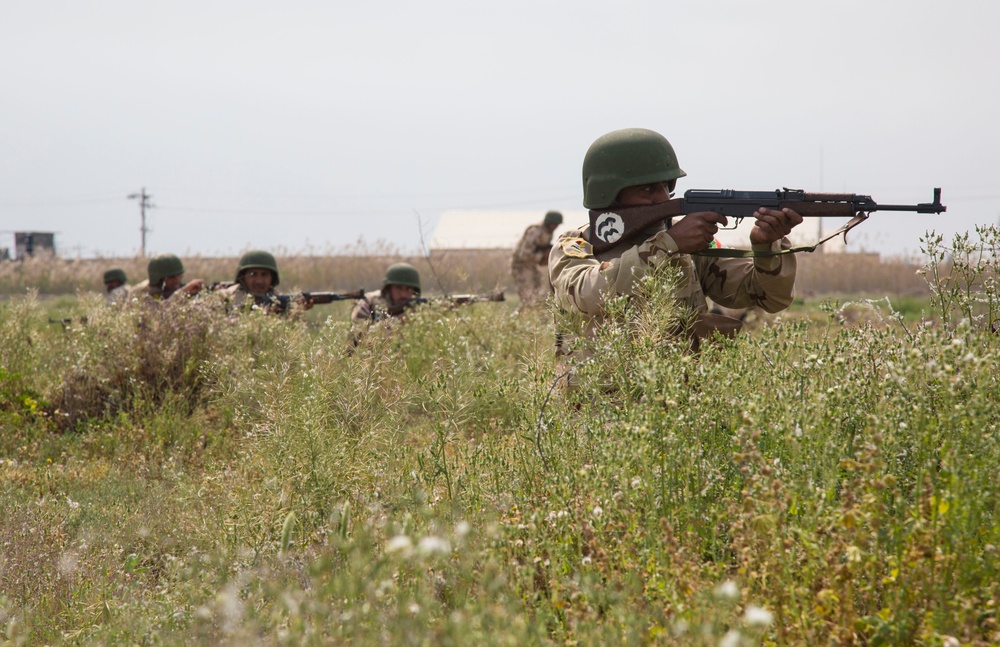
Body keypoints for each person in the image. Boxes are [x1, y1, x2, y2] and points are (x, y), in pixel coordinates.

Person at [549, 127, 802, 369]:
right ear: (609, 194)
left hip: (676, 396)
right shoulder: (577, 245)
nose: (662, 197)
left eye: (667, 186)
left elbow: (770, 298)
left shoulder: (689, 244)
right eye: (648, 189)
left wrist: (766, 246)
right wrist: (668, 245)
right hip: (604, 396)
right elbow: (587, 295)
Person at [215, 250, 312, 313]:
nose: (259, 281)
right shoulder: (224, 297)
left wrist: (296, 311)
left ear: (272, 278)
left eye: (264, 275)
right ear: (243, 277)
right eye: (253, 274)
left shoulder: (277, 300)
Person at [350, 262, 421, 346]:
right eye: (398, 288)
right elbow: (358, 338)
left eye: (409, 289)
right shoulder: (369, 302)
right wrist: (396, 322)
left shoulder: (417, 307)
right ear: (388, 287)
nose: (403, 294)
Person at [511, 210, 562, 309]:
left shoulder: (548, 233)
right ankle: (518, 317)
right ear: (548, 223)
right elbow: (524, 254)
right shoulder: (535, 231)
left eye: (557, 225)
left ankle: (521, 315)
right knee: (528, 297)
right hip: (522, 266)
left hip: (531, 265)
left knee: (537, 296)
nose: (555, 227)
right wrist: (542, 256)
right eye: (553, 224)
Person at [130, 253, 205, 300]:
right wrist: (182, 292)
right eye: (171, 277)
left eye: (179, 275)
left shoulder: (170, 291)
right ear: (158, 278)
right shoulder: (141, 293)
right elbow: (161, 310)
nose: (177, 280)